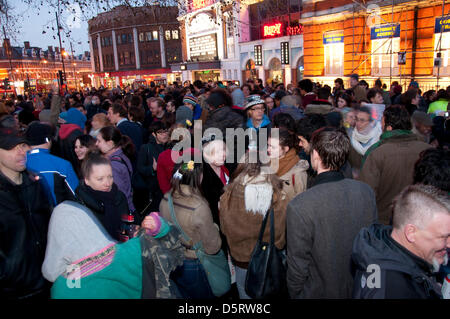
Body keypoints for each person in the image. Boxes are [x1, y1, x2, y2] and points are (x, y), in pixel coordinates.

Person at [287, 128, 377, 298]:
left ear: (315, 155)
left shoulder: (300, 205)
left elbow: (297, 265)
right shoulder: (365, 192)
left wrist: (296, 294)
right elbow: (372, 245)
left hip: (318, 292)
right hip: (360, 288)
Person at [42, 198, 182, 299]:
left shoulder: (66, 287)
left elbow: (67, 272)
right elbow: (171, 240)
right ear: (91, 225)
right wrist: (157, 225)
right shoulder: (129, 251)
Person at [351, 184, 449, 299]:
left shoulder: (384, 247)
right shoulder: (391, 289)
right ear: (411, 233)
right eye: (444, 237)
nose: (449, 244)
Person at [219, 151, 288, 299]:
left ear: (241, 167)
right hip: (270, 259)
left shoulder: (227, 198)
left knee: (246, 295)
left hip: (242, 261)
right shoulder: (278, 196)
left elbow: (224, 229)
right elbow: (283, 231)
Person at [0, 128, 53, 299]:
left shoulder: (35, 182)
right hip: (13, 289)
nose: (21, 152)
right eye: (12, 147)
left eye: (23, 145)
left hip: (45, 281)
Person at [159, 160, 222, 299]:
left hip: (173, 259)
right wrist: (215, 227)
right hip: (193, 263)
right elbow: (212, 247)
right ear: (198, 177)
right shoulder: (199, 205)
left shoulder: (166, 198)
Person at [359, 105, 430, 225]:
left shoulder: (376, 152)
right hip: (420, 220)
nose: (380, 126)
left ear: (389, 128)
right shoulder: (428, 151)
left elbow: (366, 193)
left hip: (384, 222)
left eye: (382, 122)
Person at [74, 151, 137, 241]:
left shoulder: (119, 197)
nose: (107, 183)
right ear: (87, 180)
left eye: (110, 177)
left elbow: (126, 227)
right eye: (100, 179)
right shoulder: (80, 204)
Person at [25, 122, 79, 206]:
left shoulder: (18, 164)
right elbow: (76, 195)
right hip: (57, 215)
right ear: (48, 140)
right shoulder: (62, 164)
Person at [96, 126, 136, 213]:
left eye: (99, 141)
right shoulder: (122, 156)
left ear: (110, 143)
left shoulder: (113, 166)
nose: (96, 144)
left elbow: (118, 194)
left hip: (122, 211)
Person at [135, 121, 170, 213]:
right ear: (154, 134)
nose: (164, 135)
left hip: (168, 189)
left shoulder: (170, 147)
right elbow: (140, 168)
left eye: (166, 131)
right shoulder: (146, 148)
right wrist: (152, 168)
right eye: (160, 132)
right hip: (153, 191)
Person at [268, 129, 308, 201]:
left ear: (285, 149)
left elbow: (301, 201)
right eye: (268, 145)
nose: (268, 149)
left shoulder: (298, 171)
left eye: (273, 147)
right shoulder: (266, 164)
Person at [348, 106, 382, 174]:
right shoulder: (350, 138)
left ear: (371, 122)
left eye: (362, 120)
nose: (358, 123)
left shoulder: (380, 139)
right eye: (357, 119)